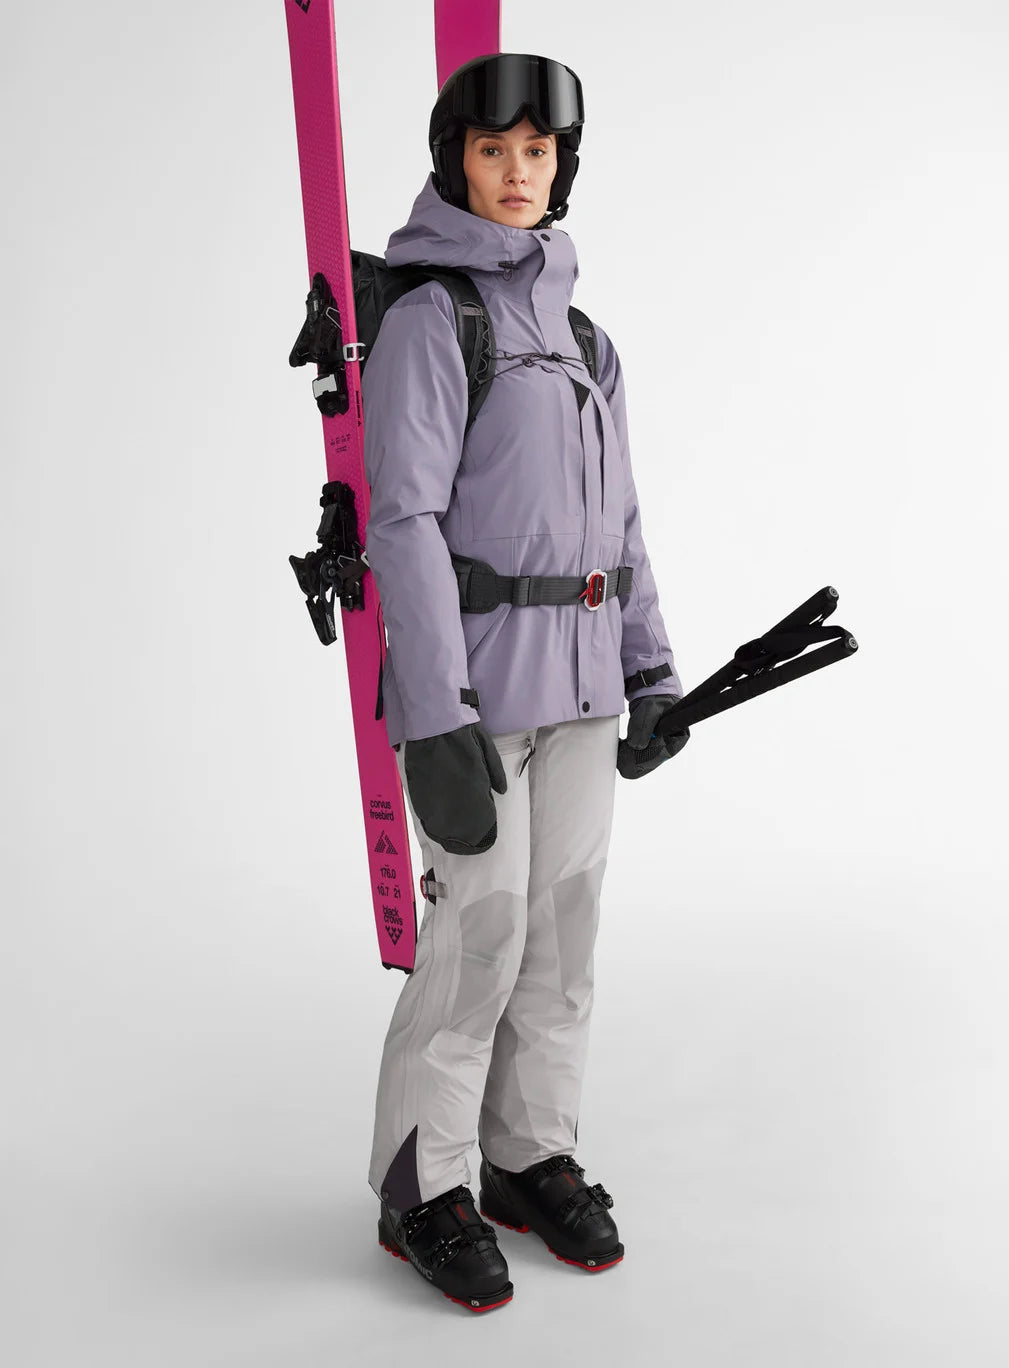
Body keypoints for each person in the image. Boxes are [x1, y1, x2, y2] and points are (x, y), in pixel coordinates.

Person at [360, 53, 689, 1313]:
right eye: (492, 150)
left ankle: (524, 1153)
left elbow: (624, 520)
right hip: (476, 696)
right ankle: (421, 1184)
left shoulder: (587, 339)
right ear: (455, 160)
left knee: (562, 935)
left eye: (537, 153)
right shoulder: (434, 320)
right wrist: (435, 713)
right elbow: (403, 522)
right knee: (477, 940)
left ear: (563, 167)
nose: (516, 172)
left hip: (585, 689)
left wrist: (650, 668)